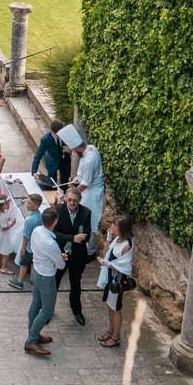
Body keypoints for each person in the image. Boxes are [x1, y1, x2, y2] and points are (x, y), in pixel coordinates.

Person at [25, 207, 67, 356]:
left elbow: (37, 250)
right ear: (55, 221)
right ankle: (31, 340)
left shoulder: (37, 231)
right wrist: (61, 257)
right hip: (46, 277)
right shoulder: (51, 243)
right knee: (47, 311)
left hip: (36, 271)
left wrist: (56, 256)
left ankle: (34, 335)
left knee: (35, 305)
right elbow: (60, 265)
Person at [55, 187, 94, 325]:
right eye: (69, 200)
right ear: (65, 198)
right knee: (55, 282)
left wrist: (82, 237)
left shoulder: (86, 212)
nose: (72, 203)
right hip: (60, 253)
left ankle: (77, 311)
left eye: (75, 201)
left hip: (78, 255)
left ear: (80, 200)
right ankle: (48, 310)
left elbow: (87, 234)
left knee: (76, 284)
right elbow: (54, 233)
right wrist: (73, 238)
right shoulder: (58, 210)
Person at [96, 217, 136, 348]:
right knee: (110, 306)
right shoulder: (117, 239)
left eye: (115, 225)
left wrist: (107, 264)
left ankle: (116, 337)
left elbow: (125, 268)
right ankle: (110, 330)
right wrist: (108, 238)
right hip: (110, 278)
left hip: (117, 282)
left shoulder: (126, 246)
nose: (112, 227)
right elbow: (105, 253)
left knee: (116, 309)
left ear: (123, 228)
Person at [72, 135, 106, 258]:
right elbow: (83, 176)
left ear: (78, 148)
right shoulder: (91, 148)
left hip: (92, 193)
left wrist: (73, 193)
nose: (73, 152)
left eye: (74, 150)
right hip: (90, 190)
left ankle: (90, 251)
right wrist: (77, 180)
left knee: (91, 221)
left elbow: (85, 184)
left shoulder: (89, 160)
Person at [10, 193, 44, 291]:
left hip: (29, 247)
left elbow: (26, 236)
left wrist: (23, 248)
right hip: (37, 245)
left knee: (23, 263)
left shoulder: (30, 219)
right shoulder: (39, 216)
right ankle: (34, 280)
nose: (27, 205)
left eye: (29, 203)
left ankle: (19, 282)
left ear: (36, 205)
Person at [0, 195, 26, 275]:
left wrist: (7, 221)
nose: (9, 205)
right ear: (1, 205)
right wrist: (12, 223)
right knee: (6, 252)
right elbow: (4, 228)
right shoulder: (3, 215)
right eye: (7, 204)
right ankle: (4, 268)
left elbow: (0, 224)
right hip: (3, 236)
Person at [31, 120, 71, 189]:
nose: (60, 136)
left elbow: (73, 145)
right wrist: (34, 171)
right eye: (57, 134)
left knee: (65, 181)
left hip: (64, 160)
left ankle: (64, 192)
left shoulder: (65, 134)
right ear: (52, 132)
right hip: (52, 161)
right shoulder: (45, 139)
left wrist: (70, 149)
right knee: (52, 184)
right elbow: (38, 156)